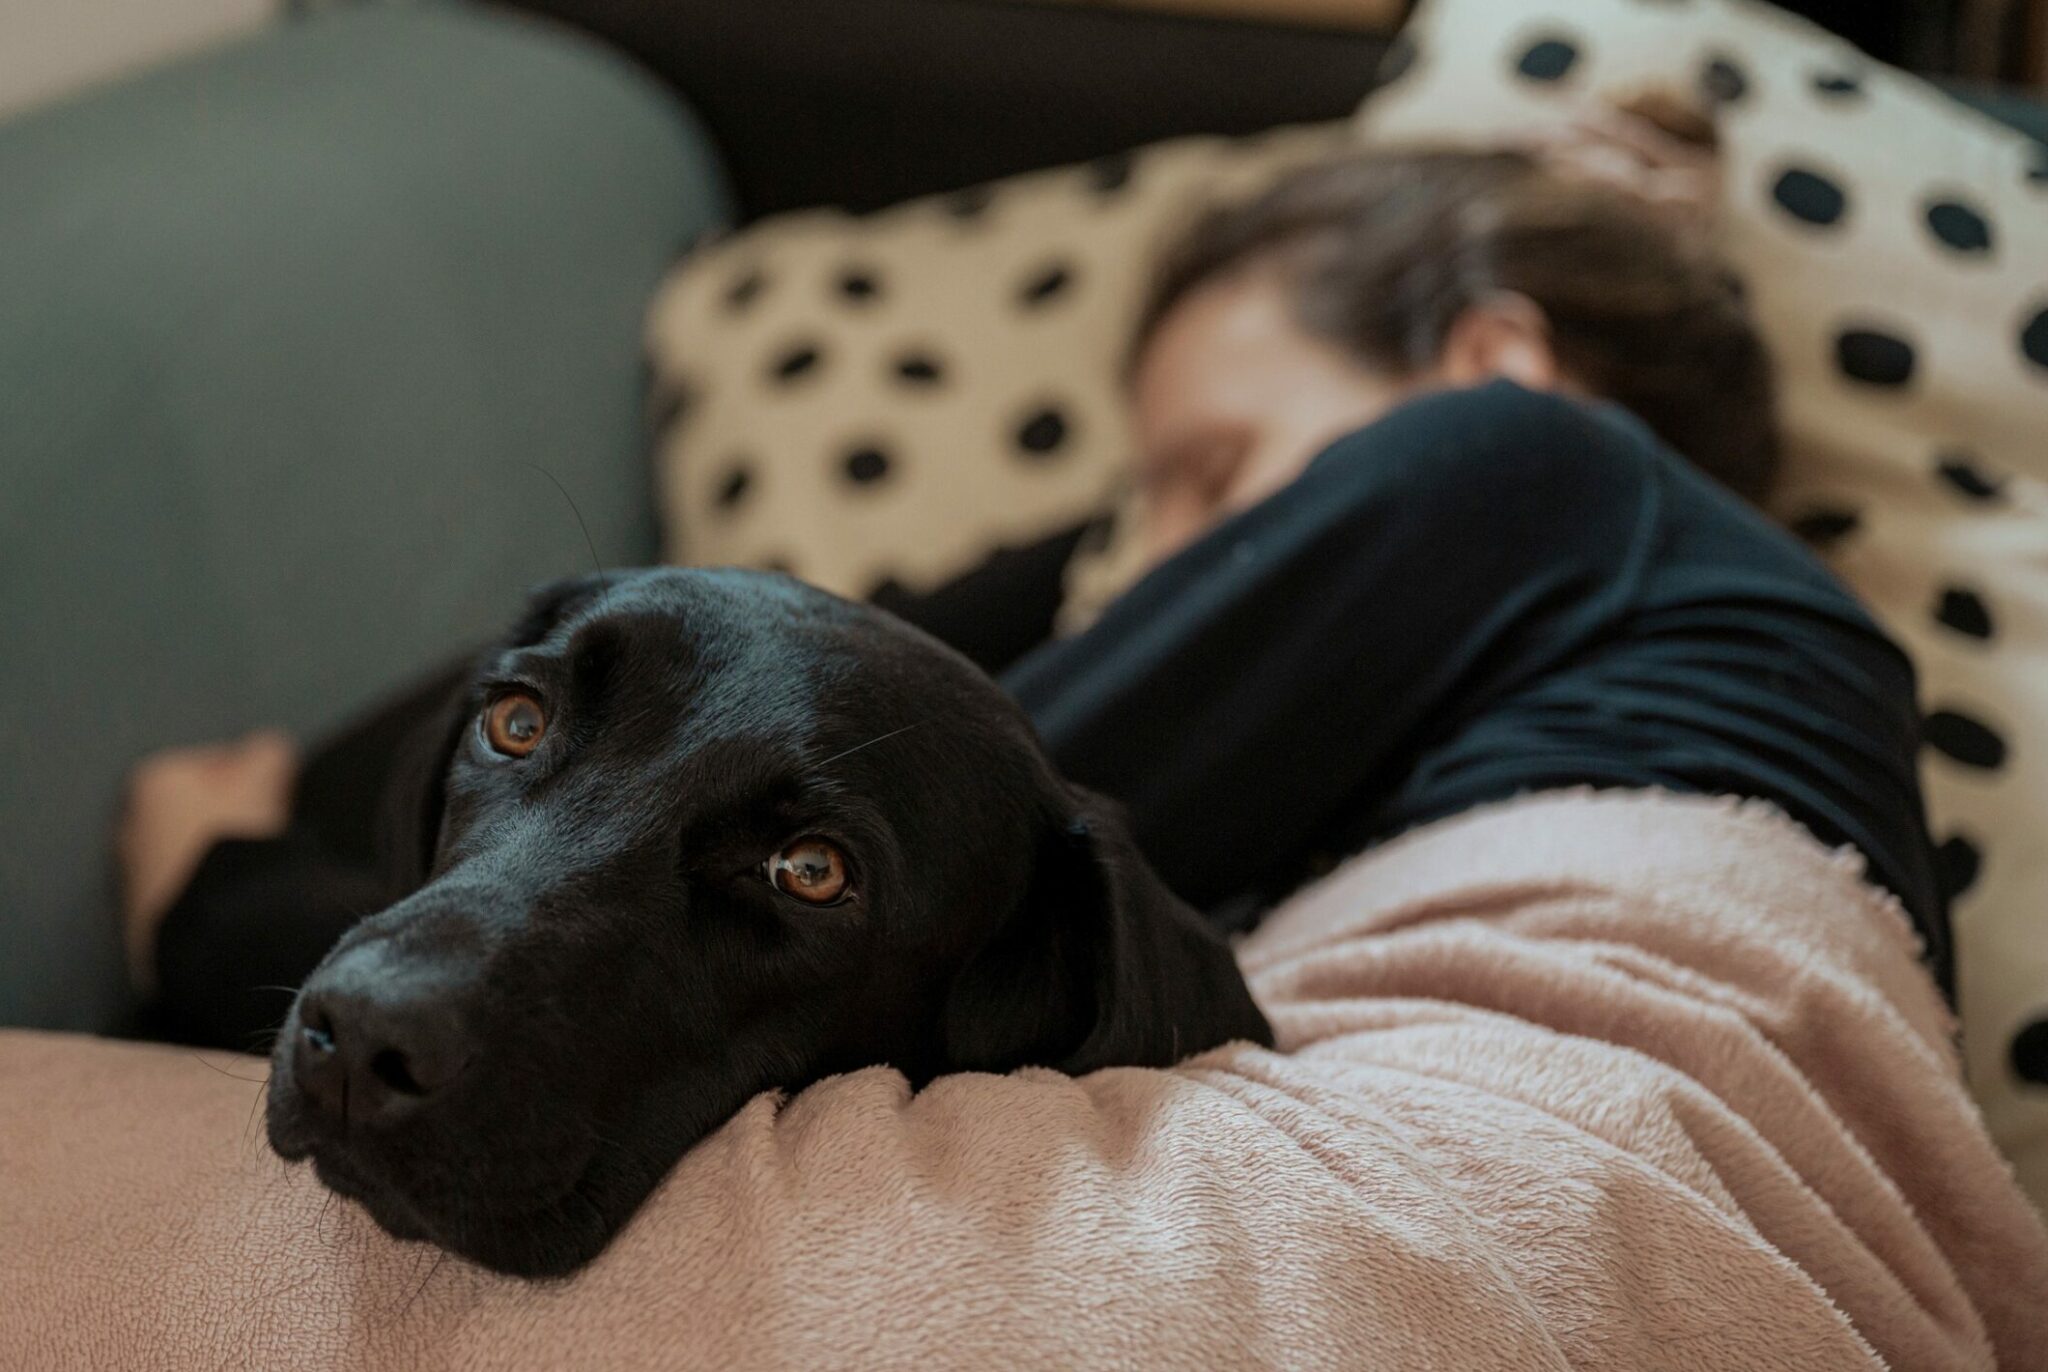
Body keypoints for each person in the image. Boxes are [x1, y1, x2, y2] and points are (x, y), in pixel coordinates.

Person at [121, 118, 1950, 1049]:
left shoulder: (1519, 461)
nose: (1158, 564)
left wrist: (223, 906)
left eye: (1215, 473)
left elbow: (864, 806)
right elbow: (832, 659)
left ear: (1492, 362)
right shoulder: (1675, 655)